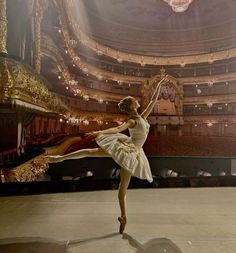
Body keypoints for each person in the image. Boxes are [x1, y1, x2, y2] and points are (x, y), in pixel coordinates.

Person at [45, 75, 168, 233]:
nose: (137, 101)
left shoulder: (142, 116)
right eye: (134, 101)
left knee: (122, 187)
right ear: (132, 106)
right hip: (128, 149)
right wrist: (99, 131)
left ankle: (123, 217)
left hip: (133, 150)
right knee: (93, 153)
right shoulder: (132, 121)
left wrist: (159, 84)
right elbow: (117, 129)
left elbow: (153, 101)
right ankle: (60, 157)